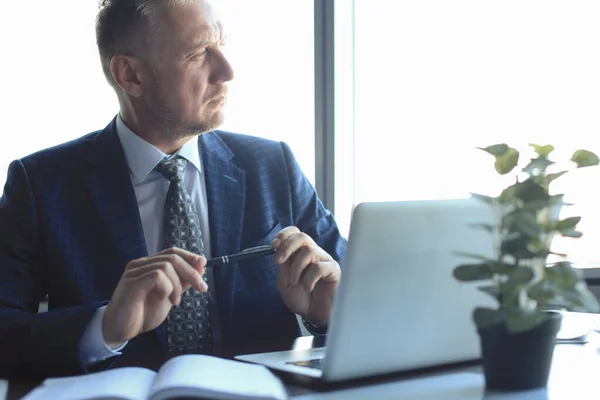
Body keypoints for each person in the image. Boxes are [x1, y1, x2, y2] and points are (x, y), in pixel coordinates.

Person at [0, 0, 346, 379]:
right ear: (130, 75)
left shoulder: (273, 165)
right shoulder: (40, 185)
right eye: (199, 53)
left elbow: (362, 295)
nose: (227, 71)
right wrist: (104, 327)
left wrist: (326, 313)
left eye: (222, 45)